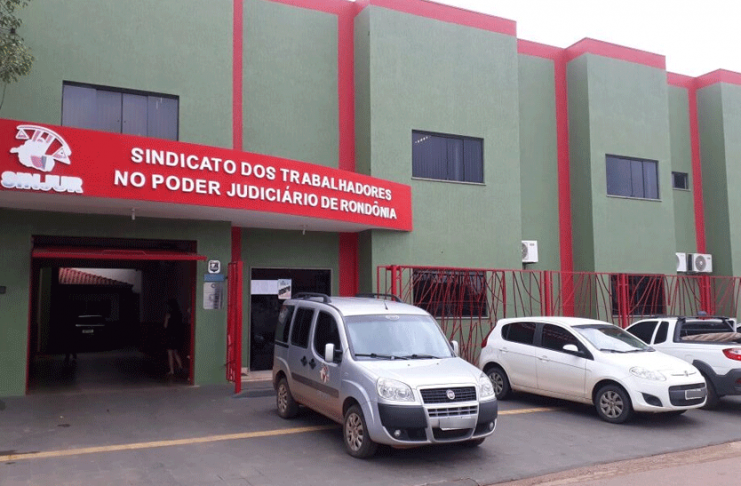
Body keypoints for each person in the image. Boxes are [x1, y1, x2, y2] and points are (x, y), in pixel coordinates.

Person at [164, 299, 184, 376]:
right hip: (178, 335)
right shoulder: (179, 314)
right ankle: (180, 366)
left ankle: (172, 371)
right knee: (175, 352)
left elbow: (165, 326)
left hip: (170, 335)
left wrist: (166, 318)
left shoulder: (168, 314)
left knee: (170, 353)